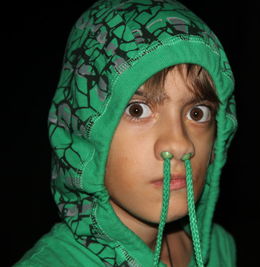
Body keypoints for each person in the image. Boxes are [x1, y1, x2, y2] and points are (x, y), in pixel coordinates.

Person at [15, 0, 238, 266]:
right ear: (84, 132)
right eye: (137, 110)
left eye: (197, 113)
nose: (180, 144)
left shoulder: (220, 249)